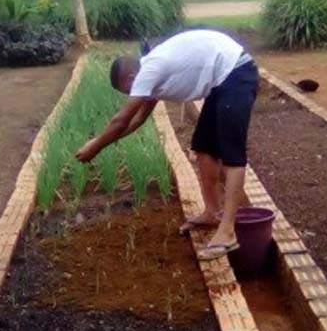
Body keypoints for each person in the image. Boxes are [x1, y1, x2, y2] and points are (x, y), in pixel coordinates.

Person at [76, 29, 258, 261]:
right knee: (203, 148)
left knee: (233, 156)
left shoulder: (149, 71)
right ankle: (213, 213)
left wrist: (97, 146)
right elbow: (136, 120)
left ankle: (228, 231)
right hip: (221, 80)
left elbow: (122, 119)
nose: (133, 94)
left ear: (132, 78)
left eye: (129, 91)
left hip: (236, 73)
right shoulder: (151, 74)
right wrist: (101, 141)